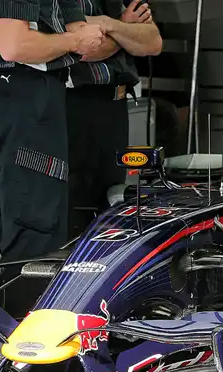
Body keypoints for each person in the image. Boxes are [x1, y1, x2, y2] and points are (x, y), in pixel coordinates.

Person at [0, 0, 106, 261]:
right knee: (33, 233)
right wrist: (74, 41)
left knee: (7, 225)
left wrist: (80, 35)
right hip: (25, 92)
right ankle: (21, 301)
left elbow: (81, 32)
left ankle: (1, 298)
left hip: (18, 91)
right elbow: (15, 45)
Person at [65, 0, 163, 239]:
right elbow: (84, 49)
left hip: (115, 107)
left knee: (112, 202)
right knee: (70, 203)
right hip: (72, 101)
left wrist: (111, 24)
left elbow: (153, 42)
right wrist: (127, 30)